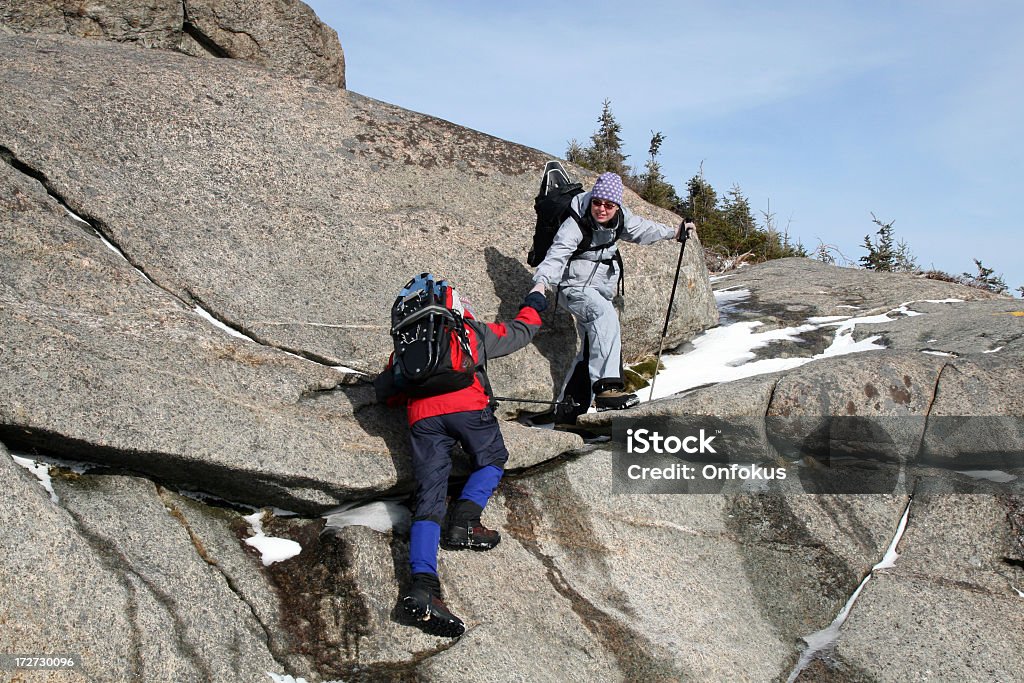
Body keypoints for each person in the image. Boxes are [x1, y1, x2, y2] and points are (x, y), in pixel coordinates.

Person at [375, 275, 548, 638]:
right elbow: (521, 330)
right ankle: (466, 521)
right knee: (492, 458)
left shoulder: (405, 348)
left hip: (423, 421)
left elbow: (388, 392)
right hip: (469, 410)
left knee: (429, 500)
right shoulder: (469, 331)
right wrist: (536, 301)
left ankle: (424, 587)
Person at [529, 171, 695, 421]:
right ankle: (606, 389)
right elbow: (557, 255)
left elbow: (643, 229)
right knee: (603, 315)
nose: (602, 209)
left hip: (598, 288)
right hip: (573, 286)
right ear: (592, 199)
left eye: (608, 205)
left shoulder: (621, 218)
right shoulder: (575, 222)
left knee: (590, 349)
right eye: (597, 202)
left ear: (617, 205)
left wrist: (674, 231)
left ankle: (568, 412)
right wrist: (540, 285)